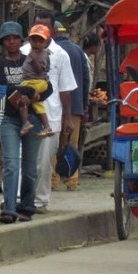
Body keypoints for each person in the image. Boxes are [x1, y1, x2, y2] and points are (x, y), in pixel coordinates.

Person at [0, 22, 52, 224]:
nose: (12, 41)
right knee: (10, 164)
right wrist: (30, 94)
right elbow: (2, 89)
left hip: (33, 118)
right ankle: (8, 208)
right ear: (2, 42)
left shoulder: (31, 59)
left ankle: (26, 207)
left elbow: (48, 88)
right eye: (7, 39)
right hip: (9, 118)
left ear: (21, 40)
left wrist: (32, 97)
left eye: (15, 37)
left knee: (30, 167)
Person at [23, 10, 77, 213]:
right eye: (38, 27)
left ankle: (40, 201)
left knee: (44, 161)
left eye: (46, 28)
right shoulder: (23, 51)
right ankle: (21, 198)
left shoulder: (61, 55)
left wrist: (68, 119)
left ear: (52, 31)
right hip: (26, 112)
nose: (41, 32)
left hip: (51, 115)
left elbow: (65, 89)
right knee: (24, 159)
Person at [53, 21, 90, 191]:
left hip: (54, 105)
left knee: (54, 144)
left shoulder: (51, 51)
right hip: (75, 105)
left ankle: (53, 180)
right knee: (71, 144)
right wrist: (84, 104)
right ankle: (72, 181)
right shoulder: (78, 51)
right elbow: (86, 79)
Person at [14, 24, 54, 138]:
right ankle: (47, 127)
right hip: (34, 82)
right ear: (29, 40)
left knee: (20, 97)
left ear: (46, 43)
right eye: (34, 41)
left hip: (35, 82)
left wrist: (34, 59)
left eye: (40, 42)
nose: (37, 44)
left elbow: (40, 70)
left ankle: (25, 122)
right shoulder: (33, 52)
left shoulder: (41, 54)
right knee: (38, 104)